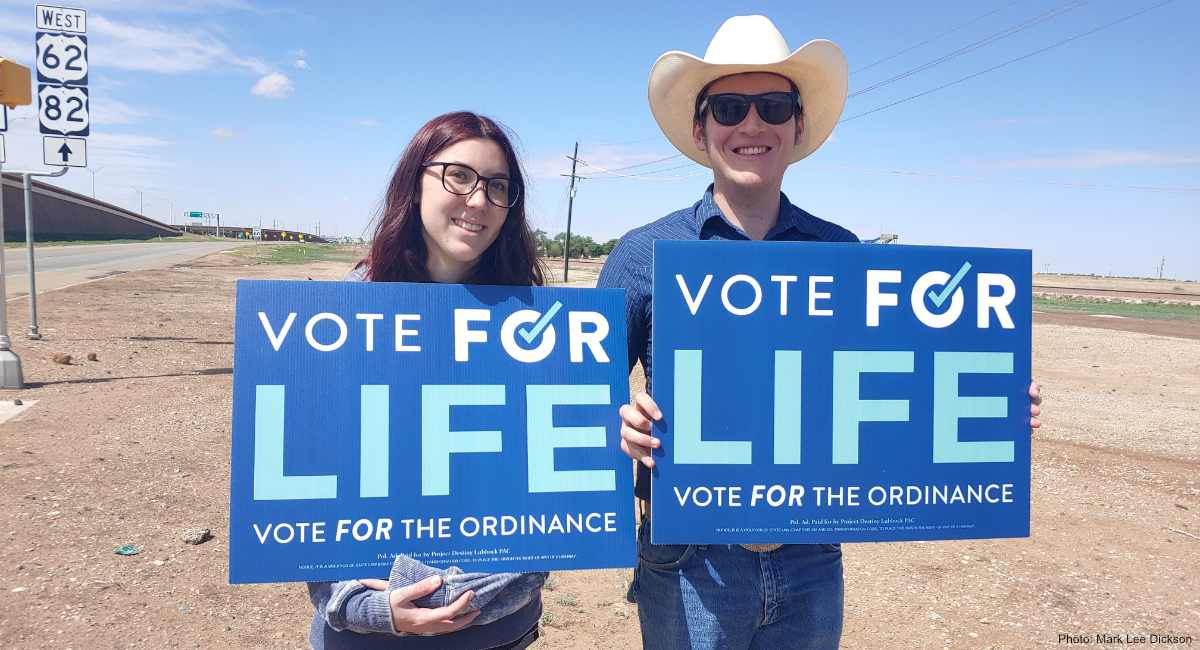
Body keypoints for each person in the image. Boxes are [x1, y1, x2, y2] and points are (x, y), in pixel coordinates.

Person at [597, 16, 1043, 649]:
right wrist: (619, 422)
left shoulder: (842, 252)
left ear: (796, 126)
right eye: (729, 106)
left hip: (811, 555)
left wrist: (985, 410)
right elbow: (583, 400)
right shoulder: (643, 253)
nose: (752, 124)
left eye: (773, 106)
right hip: (690, 556)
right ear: (701, 130)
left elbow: (896, 390)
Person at [307, 111, 548, 650]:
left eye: (499, 186)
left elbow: (551, 510)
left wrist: (463, 597)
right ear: (414, 181)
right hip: (365, 634)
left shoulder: (537, 328)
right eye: (458, 176)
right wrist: (364, 606)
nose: (479, 199)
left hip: (495, 634)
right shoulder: (338, 319)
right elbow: (308, 492)